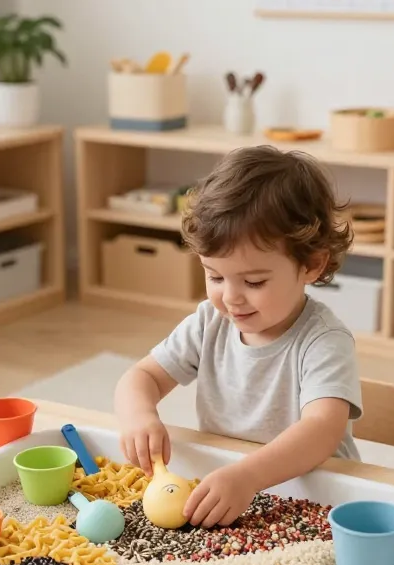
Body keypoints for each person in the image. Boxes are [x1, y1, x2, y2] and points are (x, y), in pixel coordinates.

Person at [114, 145, 362, 529]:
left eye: (254, 281)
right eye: (215, 276)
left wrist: (247, 476)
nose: (230, 298)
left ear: (312, 265)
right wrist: (139, 416)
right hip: (230, 489)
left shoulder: (324, 340)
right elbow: (141, 377)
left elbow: (321, 431)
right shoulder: (209, 322)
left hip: (317, 494)